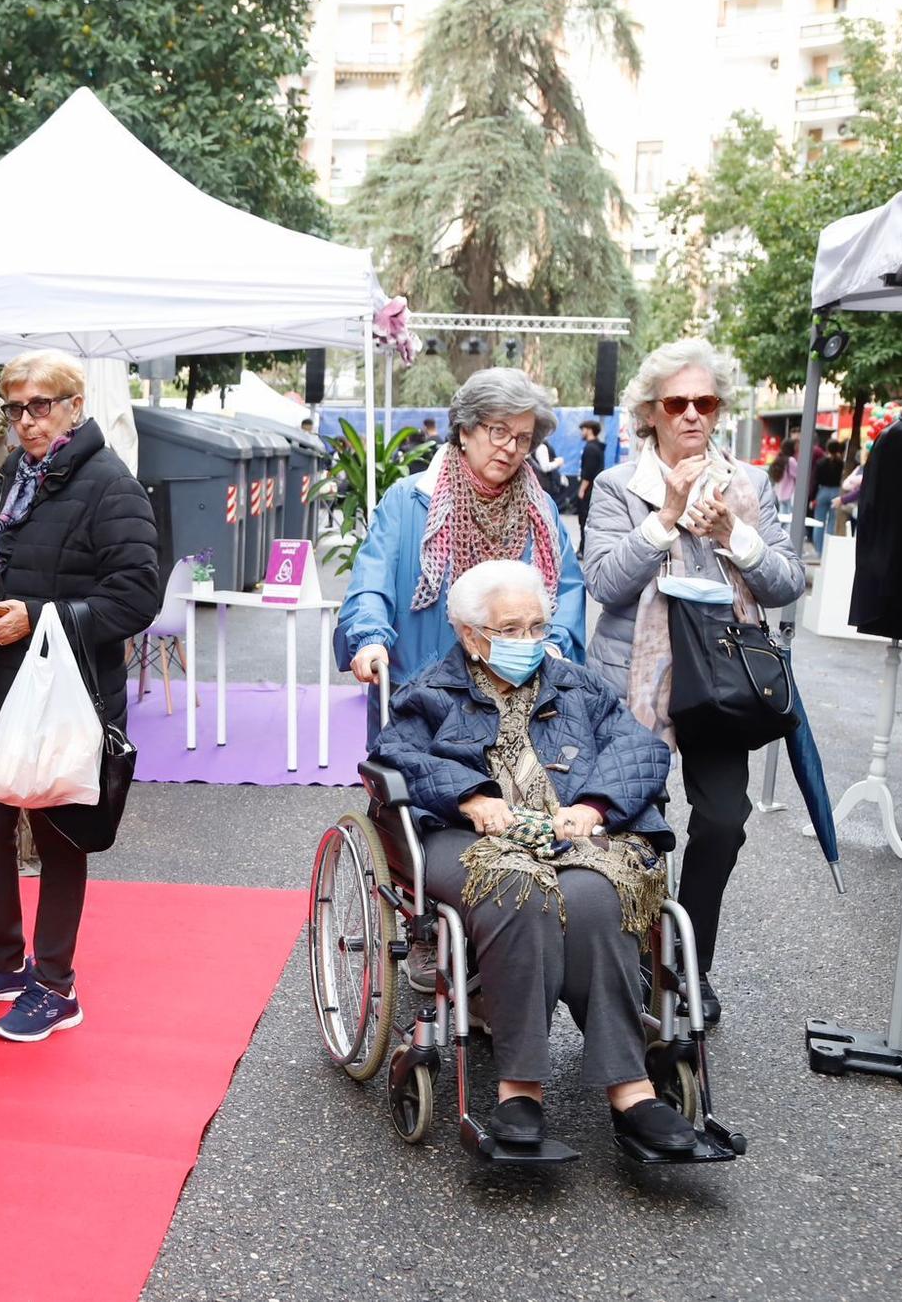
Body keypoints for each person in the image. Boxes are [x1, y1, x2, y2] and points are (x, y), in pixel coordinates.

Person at [368, 560, 696, 1153]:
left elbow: (638, 747)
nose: (528, 641)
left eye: (537, 627)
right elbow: (397, 756)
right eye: (510, 629)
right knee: (521, 895)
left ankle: (630, 1088)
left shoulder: (578, 684)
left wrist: (594, 807)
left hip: (570, 834)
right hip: (467, 839)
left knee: (596, 898)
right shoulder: (430, 691)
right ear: (470, 635)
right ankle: (520, 1089)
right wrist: (471, 797)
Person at [0, 349, 161, 1043]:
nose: (26, 421)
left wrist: (41, 616)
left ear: (73, 406)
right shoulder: (12, 481)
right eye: (15, 407)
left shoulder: (111, 486)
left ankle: (54, 985)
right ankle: (2, 960)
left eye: (40, 406)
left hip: (68, 693)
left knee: (59, 839)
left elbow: (136, 596)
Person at [582, 339, 806, 1023]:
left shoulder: (751, 486)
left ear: (719, 411)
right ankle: (634, 960)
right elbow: (604, 583)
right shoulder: (621, 486)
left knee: (723, 822)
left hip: (721, 678)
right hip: (634, 681)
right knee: (634, 825)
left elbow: (789, 581)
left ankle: (690, 962)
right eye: (676, 403)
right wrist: (665, 519)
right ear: (651, 412)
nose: (690, 416)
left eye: (704, 403)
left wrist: (737, 534)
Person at [336, 367, 587, 742]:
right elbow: (372, 583)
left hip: (514, 701)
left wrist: (552, 645)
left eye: (522, 438)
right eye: (498, 431)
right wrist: (370, 638)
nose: (511, 447)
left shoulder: (542, 509)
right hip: (418, 696)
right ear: (466, 430)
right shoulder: (408, 500)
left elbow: (566, 591)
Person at [575, 418, 606, 555]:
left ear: (589, 430)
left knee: (584, 520)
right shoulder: (597, 447)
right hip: (593, 489)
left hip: (588, 491)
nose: (581, 432)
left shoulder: (590, 448)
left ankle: (583, 549)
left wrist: (581, 490)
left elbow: (588, 471)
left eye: (583, 429)